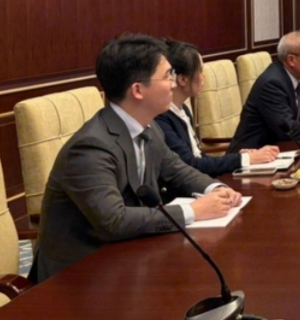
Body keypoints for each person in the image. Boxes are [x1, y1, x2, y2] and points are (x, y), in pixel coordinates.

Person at [29, 35, 242, 283]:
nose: (173, 84)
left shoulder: (148, 125)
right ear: (138, 90)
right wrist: (193, 211)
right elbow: (114, 221)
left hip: (130, 254)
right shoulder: (91, 147)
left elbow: (177, 169)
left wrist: (216, 189)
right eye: (168, 76)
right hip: (79, 274)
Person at [154, 40, 279, 177]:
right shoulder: (160, 119)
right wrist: (244, 159)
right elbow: (191, 165)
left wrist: (241, 158)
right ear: (182, 79)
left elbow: (199, 157)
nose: (203, 76)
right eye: (200, 70)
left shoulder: (183, 109)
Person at [227, 31, 300, 152]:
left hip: (281, 151)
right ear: (291, 60)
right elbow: (289, 130)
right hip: (251, 155)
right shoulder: (272, 84)